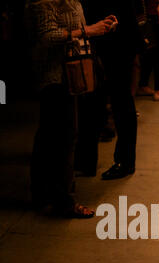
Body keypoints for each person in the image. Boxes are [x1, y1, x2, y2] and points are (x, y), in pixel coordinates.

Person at [25, 0, 114, 217]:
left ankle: (44, 195)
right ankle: (62, 201)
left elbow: (75, 31)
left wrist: (98, 27)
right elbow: (46, 36)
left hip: (69, 74)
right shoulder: (44, 2)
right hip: (54, 76)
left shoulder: (71, 0)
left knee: (48, 137)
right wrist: (87, 30)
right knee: (63, 138)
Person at [83, 0, 140, 180]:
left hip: (116, 40)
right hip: (104, 38)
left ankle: (124, 161)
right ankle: (88, 161)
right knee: (97, 101)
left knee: (120, 102)